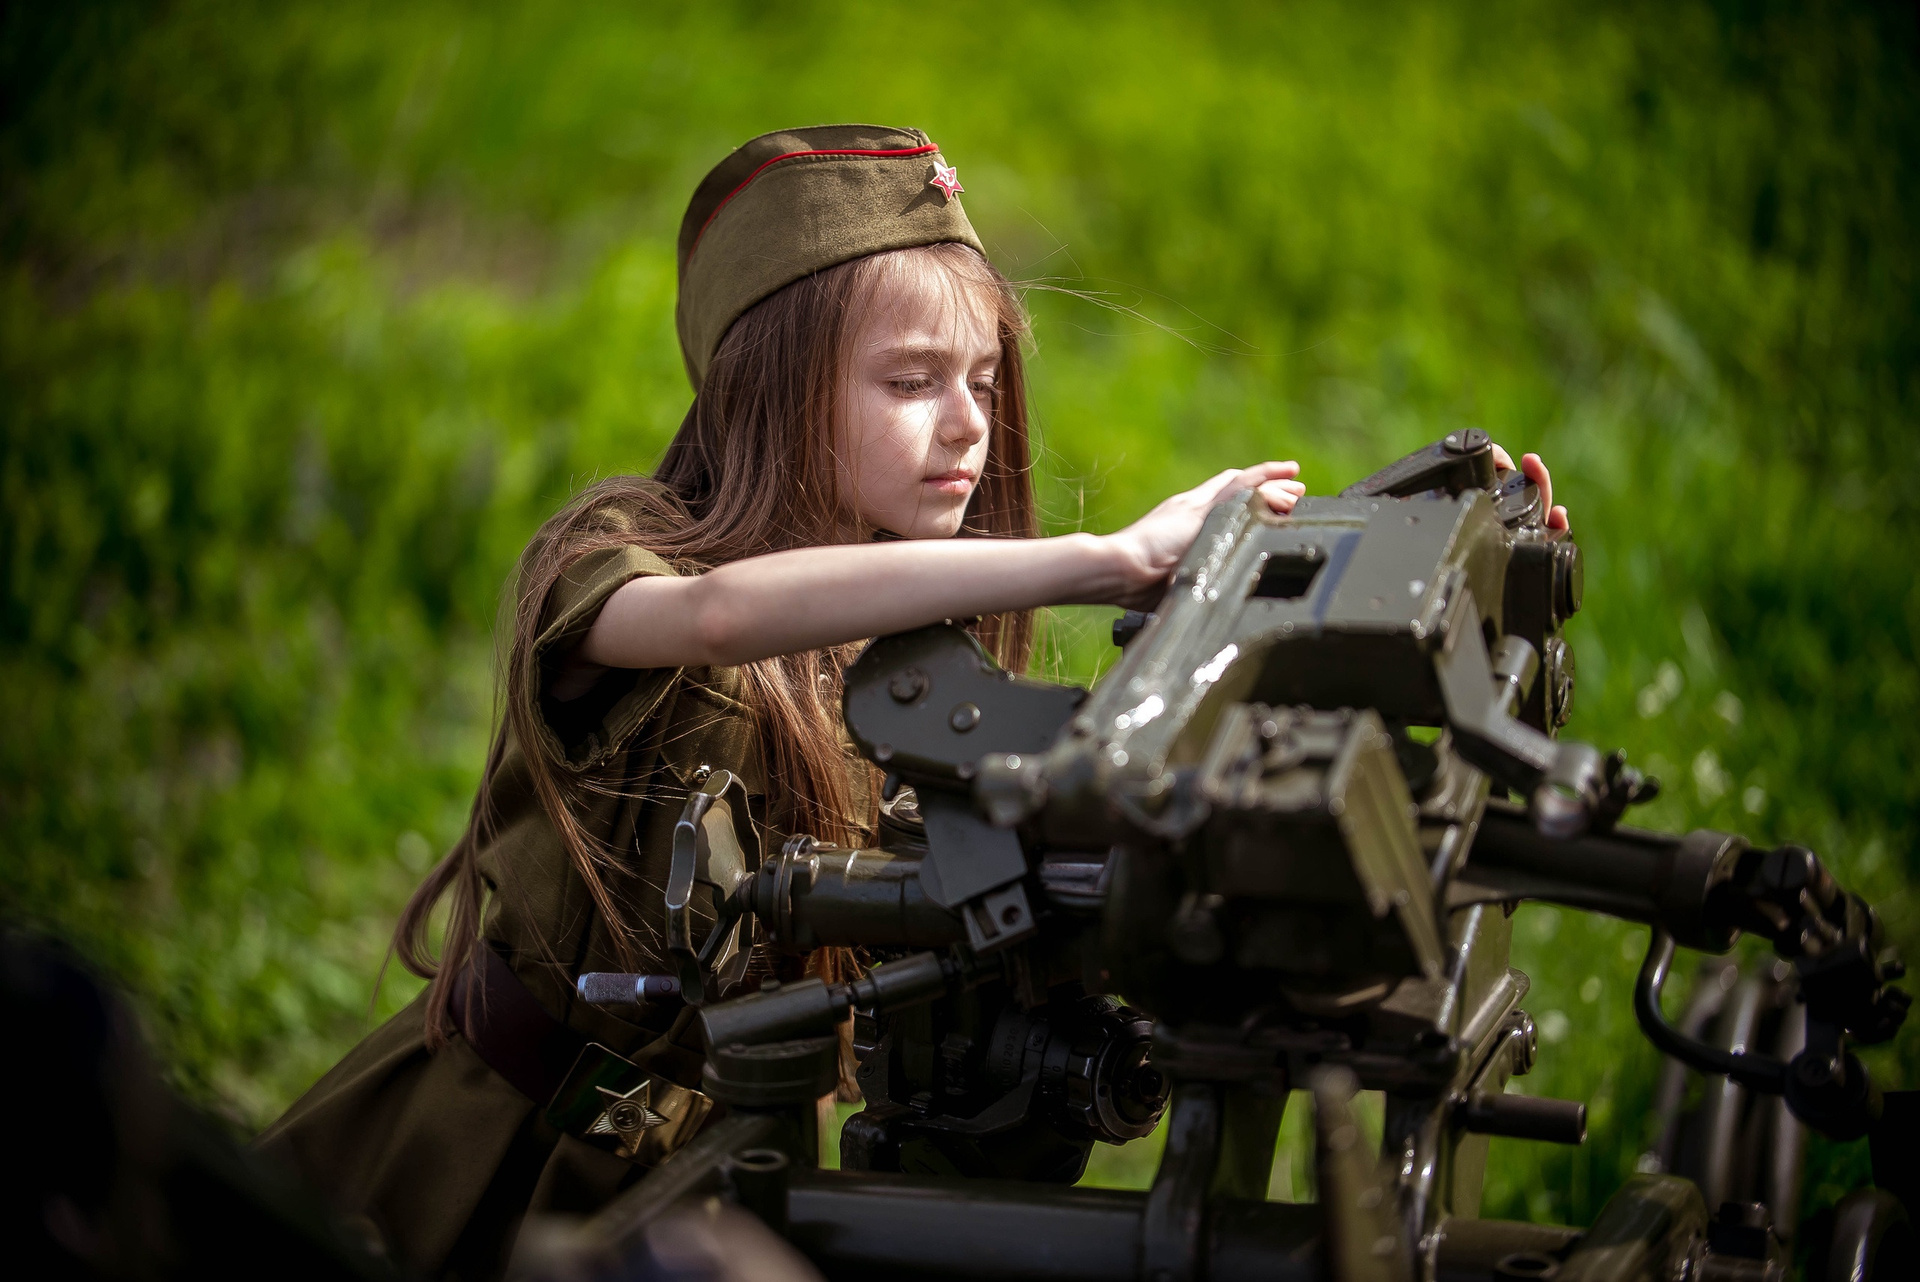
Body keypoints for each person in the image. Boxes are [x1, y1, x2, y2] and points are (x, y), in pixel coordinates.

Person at [257, 124, 1567, 1279]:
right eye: (910, 381)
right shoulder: (617, 563)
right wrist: (1103, 557)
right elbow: (719, 617)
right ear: (766, 386)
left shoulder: (906, 667)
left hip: (720, 1180)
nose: (968, 425)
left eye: (983, 381)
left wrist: (1450, 588)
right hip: (474, 1157)